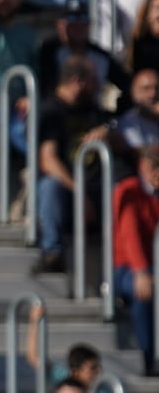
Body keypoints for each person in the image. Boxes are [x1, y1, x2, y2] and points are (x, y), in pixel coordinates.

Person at [32, 55, 112, 277]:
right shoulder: (50, 110)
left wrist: (109, 136)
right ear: (79, 81)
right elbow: (47, 160)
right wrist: (80, 193)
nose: (98, 85)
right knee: (50, 186)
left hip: (96, 188)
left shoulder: (92, 110)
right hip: (69, 191)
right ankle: (52, 251)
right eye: (94, 80)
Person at [113, 146, 159, 376]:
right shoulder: (129, 190)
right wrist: (141, 270)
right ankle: (148, 356)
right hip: (126, 268)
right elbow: (129, 234)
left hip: (153, 268)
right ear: (144, 166)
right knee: (143, 291)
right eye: (155, 166)